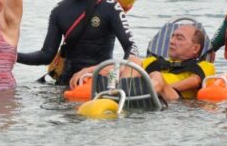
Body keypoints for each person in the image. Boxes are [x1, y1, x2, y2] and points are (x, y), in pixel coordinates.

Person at [17, 0, 138, 85]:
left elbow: (131, 47)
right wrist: (13, 55)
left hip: (97, 80)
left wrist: (121, 74)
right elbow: (46, 55)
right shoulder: (59, 11)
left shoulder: (110, 6)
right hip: (66, 82)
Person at [71, 24, 214, 102]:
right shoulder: (155, 61)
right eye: (172, 36)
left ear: (195, 48)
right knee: (134, 60)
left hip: (172, 98)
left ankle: (126, 95)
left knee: (157, 75)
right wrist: (88, 70)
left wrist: (161, 85)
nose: (171, 41)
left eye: (179, 38)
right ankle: (114, 92)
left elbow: (194, 81)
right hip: (142, 92)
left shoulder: (204, 66)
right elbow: (121, 67)